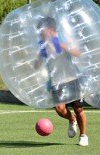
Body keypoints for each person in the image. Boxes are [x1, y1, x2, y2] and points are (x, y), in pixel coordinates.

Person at [35, 17, 88, 146]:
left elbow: (77, 53)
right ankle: (71, 119)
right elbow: (38, 64)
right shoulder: (43, 44)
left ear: (50, 29)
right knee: (59, 109)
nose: (40, 33)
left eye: (42, 30)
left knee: (78, 108)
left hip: (71, 77)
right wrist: (37, 60)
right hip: (56, 81)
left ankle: (83, 135)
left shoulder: (63, 38)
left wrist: (60, 45)